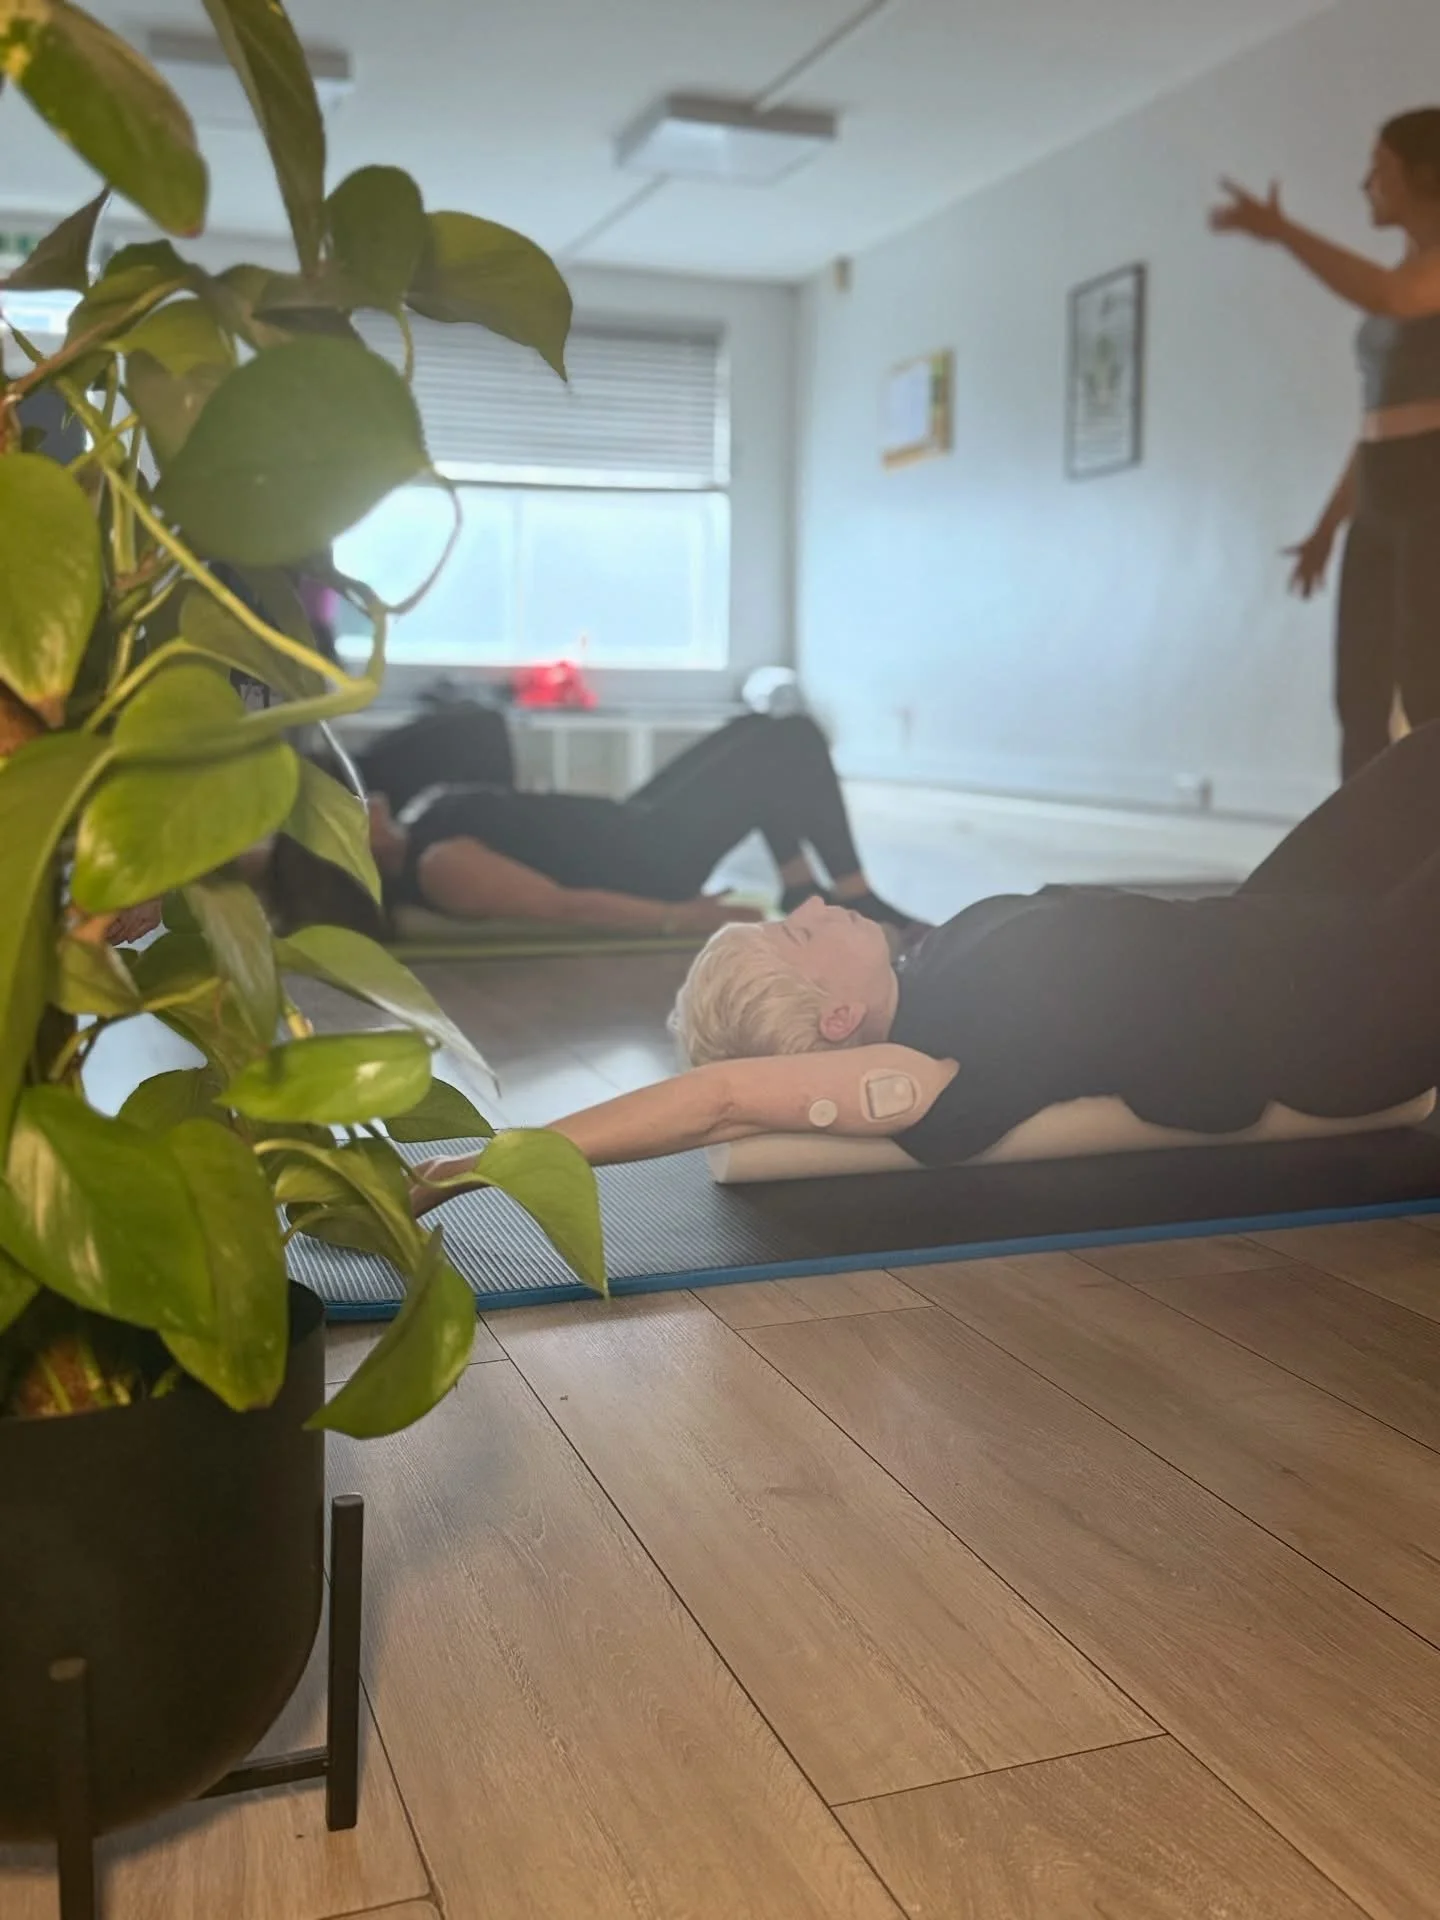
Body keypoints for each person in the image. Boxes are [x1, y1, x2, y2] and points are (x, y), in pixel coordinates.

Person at [408, 722, 1440, 1198]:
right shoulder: (941, 1068)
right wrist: (473, 1169)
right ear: (839, 1022)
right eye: (800, 931)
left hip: (1284, 918)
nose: (810, 900)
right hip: (1351, 1009)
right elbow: (721, 1099)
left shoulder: (937, 963)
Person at [1210, 109, 1440, 778]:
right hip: (1382, 496)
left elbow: (1396, 297)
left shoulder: (1420, 281)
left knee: (1428, 691)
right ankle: (1361, 863)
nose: (1366, 182)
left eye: (1380, 168)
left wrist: (1283, 232)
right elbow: (1377, 424)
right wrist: (1325, 528)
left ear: (1424, 174)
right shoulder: (1409, 274)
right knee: (1359, 696)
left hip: (1432, 494)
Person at [368, 712, 925, 940]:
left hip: (629, 824)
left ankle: (800, 883)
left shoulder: (420, 823)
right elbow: (564, 905)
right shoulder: (438, 866)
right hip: (651, 860)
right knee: (789, 738)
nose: (354, 796)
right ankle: (857, 894)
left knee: (757, 727)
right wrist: (681, 916)